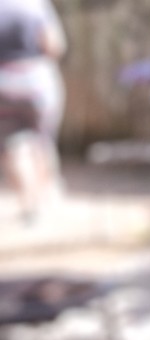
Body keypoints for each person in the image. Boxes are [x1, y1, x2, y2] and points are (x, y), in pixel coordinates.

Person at [0, 0, 67, 222]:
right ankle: (47, 197)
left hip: (3, 82)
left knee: (14, 145)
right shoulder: (36, 5)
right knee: (42, 140)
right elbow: (55, 45)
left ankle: (29, 205)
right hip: (37, 79)